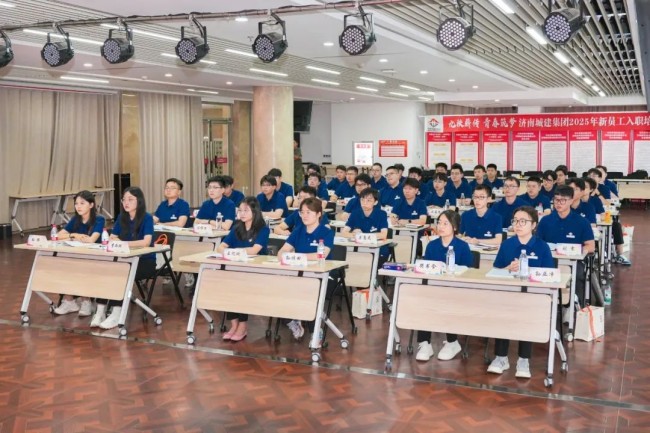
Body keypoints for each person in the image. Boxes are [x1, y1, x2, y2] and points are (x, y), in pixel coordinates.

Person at [488, 206, 554, 379]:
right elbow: (496, 270)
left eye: (523, 221)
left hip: (533, 296)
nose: (518, 224)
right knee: (502, 312)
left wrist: (529, 271)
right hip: (508, 294)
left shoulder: (542, 246)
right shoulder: (507, 244)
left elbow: (549, 275)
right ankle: (501, 357)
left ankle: (524, 360)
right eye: (515, 221)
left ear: (533, 225)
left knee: (527, 314)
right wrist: (508, 269)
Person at [93, 187, 154, 330]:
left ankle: (116, 313)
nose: (126, 203)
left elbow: (146, 242)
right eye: (124, 199)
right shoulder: (122, 217)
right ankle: (100, 311)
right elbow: (112, 237)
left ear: (139, 201)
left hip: (144, 261)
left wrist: (123, 243)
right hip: (124, 259)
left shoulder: (147, 218)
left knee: (119, 273)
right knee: (106, 271)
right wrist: (122, 242)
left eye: (130, 199)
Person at [416, 210, 472, 362]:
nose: (440, 226)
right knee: (423, 301)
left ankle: (452, 342)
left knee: (449, 301)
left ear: (455, 227)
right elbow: (426, 269)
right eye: (439, 223)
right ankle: (424, 343)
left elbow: (469, 272)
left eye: (445, 223)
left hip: (456, 290)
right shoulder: (432, 245)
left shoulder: (462, 246)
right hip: (434, 288)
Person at [279, 198, 335, 340]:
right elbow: (282, 252)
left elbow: (321, 255)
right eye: (302, 212)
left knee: (310, 293)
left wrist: (297, 256)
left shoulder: (326, 232)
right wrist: (286, 255)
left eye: (308, 212)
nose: (304, 215)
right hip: (299, 274)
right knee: (278, 290)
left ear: (318, 214)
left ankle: (315, 331)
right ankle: (293, 321)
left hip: (321, 275)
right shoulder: (298, 230)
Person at [216, 197, 270, 342]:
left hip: (255, 271)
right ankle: (234, 325)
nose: (242, 213)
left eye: (246, 210)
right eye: (240, 210)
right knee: (229, 287)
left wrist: (233, 251)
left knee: (240, 287)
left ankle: (242, 325)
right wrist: (229, 252)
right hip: (236, 268)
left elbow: (254, 250)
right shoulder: (236, 228)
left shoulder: (263, 229)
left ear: (255, 211)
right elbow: (221, 247)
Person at [536, 185, 595, 304]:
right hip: (549, 260)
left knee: (577, 275)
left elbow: (591, 246)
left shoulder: (582, 222)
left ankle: (575, 305)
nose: (558, 203)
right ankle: (545, 304)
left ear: (571, 200)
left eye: (563, 200)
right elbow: (537, 243)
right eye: (556, 200)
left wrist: (575, 251)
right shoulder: (545, 220)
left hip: (573, 261)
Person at [54, 190, 106, 317]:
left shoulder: (99, 219)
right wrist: (74, 235)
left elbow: (91, 239)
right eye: (76, 203)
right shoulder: (75, 219)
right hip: (79, 255)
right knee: (65, 265)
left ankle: (86, 301)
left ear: (91, 205)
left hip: (97, 258)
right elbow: (57, 236)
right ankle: (69, 301)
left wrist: (74, 237)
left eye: (82, 203)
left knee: (81, 267)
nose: (78, 206)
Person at [342, 187, 389, 257]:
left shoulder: (382, 214)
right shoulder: (355, 213)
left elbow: (383, 235)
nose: (364, 203)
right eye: (362, 200)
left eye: (369, 200)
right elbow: (344, 233)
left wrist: (362, 235)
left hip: (377, 247)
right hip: (359, 247)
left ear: (375, 202)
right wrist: (355, 235)